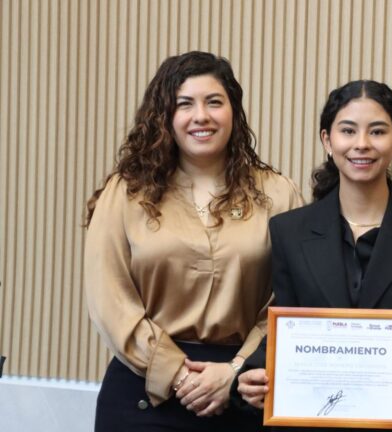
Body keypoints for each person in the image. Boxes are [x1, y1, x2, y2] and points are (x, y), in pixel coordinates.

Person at [84, 51, 303, 431]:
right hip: (141, 395)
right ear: (165, 116)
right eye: (185, 104)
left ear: (234, 111)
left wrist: (236, 371)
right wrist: (177, 374)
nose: (201, 116)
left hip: (246, 393)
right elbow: (110, 298)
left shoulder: (278, 193)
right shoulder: (126, 192)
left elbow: (293, 297)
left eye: (214, 102)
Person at [232, 80, 392, 431]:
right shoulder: (289, 231)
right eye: (348, 130)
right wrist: (254, 372)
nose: (362, 144)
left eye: (377, 131)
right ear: (328, 140)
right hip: (310, 422)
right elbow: (285, 326)